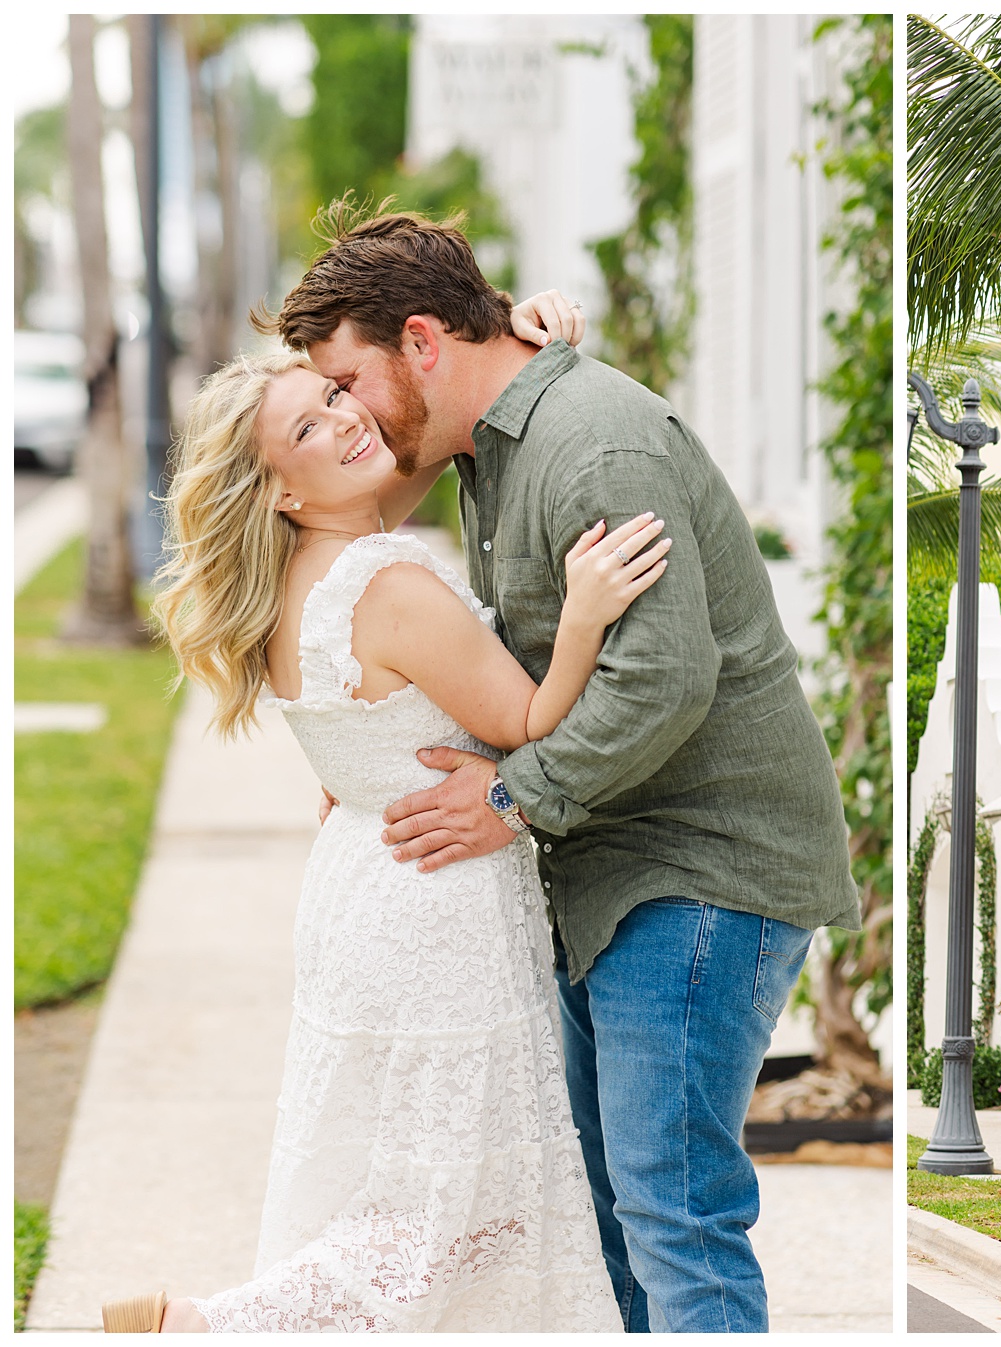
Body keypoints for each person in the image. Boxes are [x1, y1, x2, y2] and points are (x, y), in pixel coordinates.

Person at [257, 202, 861, 1334]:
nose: (352, 414)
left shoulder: (595, 446)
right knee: (614, 1219)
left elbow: (663, 681)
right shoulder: (488, 440)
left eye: (350, 382)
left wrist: (508, 797)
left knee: (675, 1212)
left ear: (423, 344)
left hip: (698, 872)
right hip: (609, 871)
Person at [111, 294, 667, 1331]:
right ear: (280, 488)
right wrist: (586, 613)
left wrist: (532, 343)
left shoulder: (295, 588)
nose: (348, 417)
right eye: (310, 427)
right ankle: (209, 1326)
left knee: (400, 1187)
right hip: (442, 908)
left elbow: (418, 454)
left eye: (333, 392)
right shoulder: (388, 582)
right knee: (448, 1211)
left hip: (366, 892)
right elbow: (530, 717)